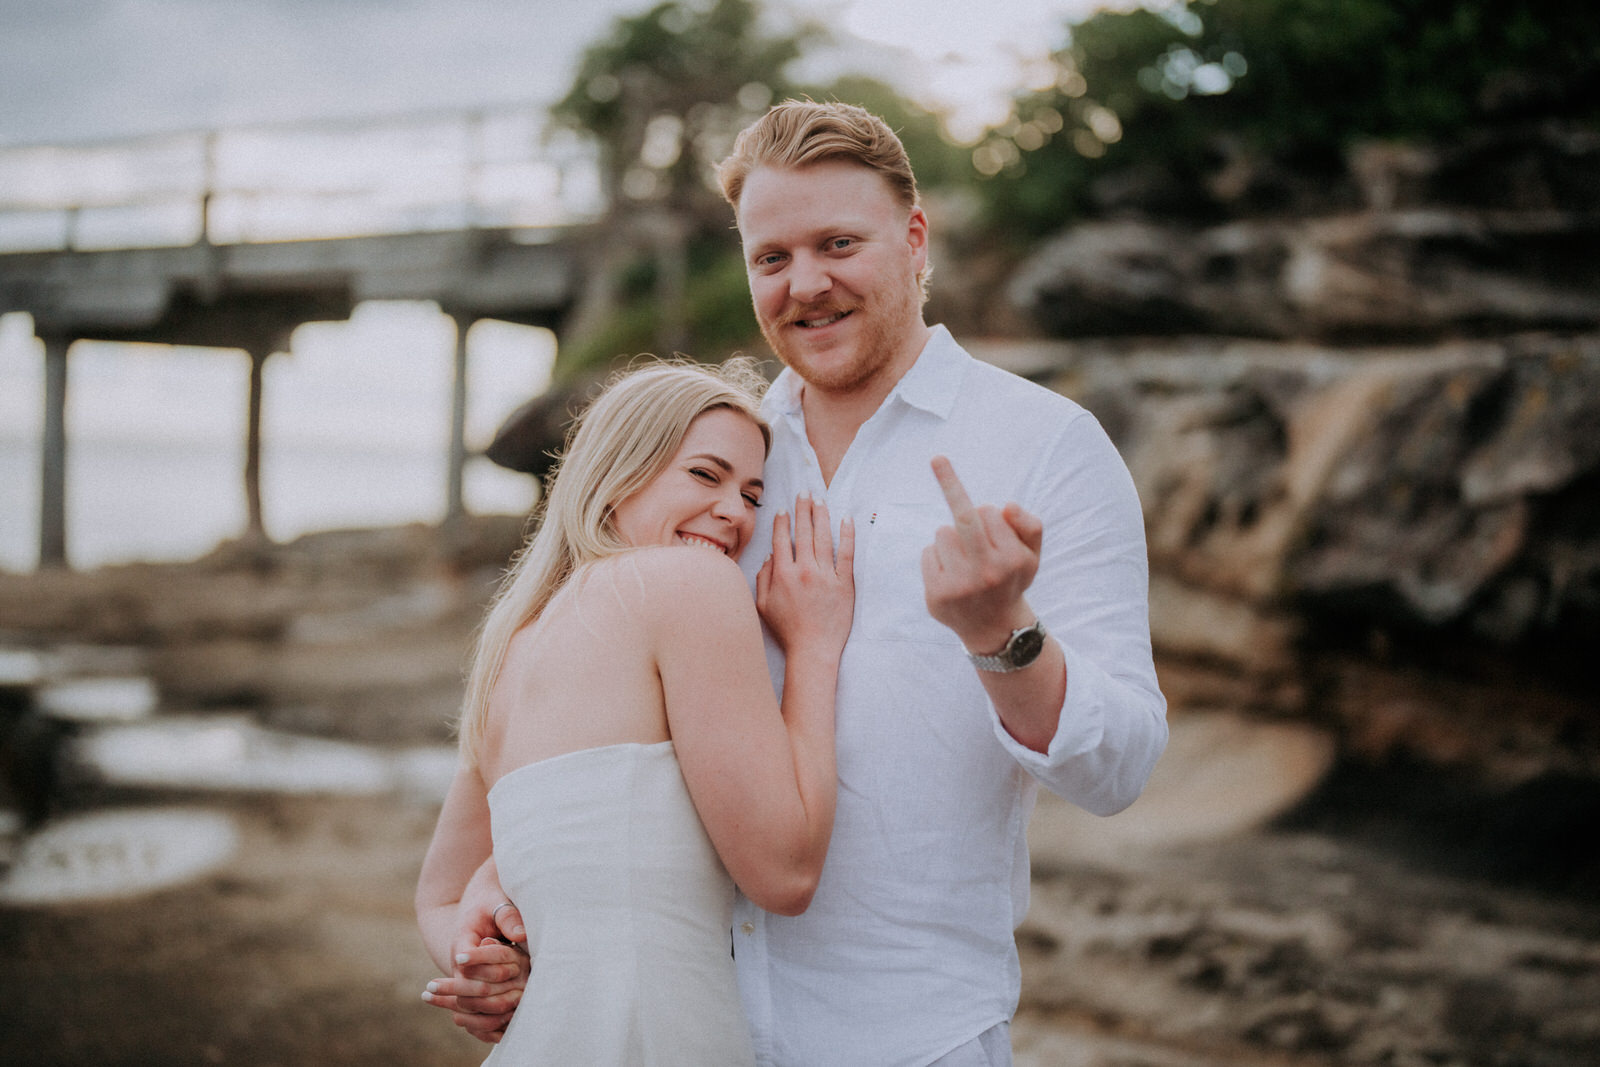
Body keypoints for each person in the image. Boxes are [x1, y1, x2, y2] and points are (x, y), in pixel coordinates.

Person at [426, 100, 1168, 1066]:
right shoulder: (718, 465)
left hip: (909, 1035)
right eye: (770, 258)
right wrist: (501, 894)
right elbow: (606, 732)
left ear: (913, 240)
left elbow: (1120, 767)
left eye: (837, 244)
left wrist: (1002, 634)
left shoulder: (1045, 447)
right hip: (688, 1026)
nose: (804, 284)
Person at [414, 357, 855, 1063]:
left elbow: (437, 900)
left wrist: (481, 961)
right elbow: (786, 872)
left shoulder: (510, 648)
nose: (736, 513)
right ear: (617, 472)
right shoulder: (690, 582)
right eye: (706, 476)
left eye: (752, 494)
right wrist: (814, 646)